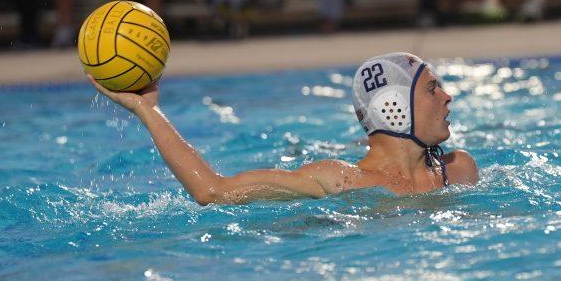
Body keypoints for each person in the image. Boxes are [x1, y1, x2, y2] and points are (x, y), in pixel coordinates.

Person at [87, 51, 478, 203]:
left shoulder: (460, 170)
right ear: (393, 107)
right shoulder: (339, 180)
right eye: (432, 89)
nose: (447, 97)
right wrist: (147, 111)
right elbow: (213, 191)